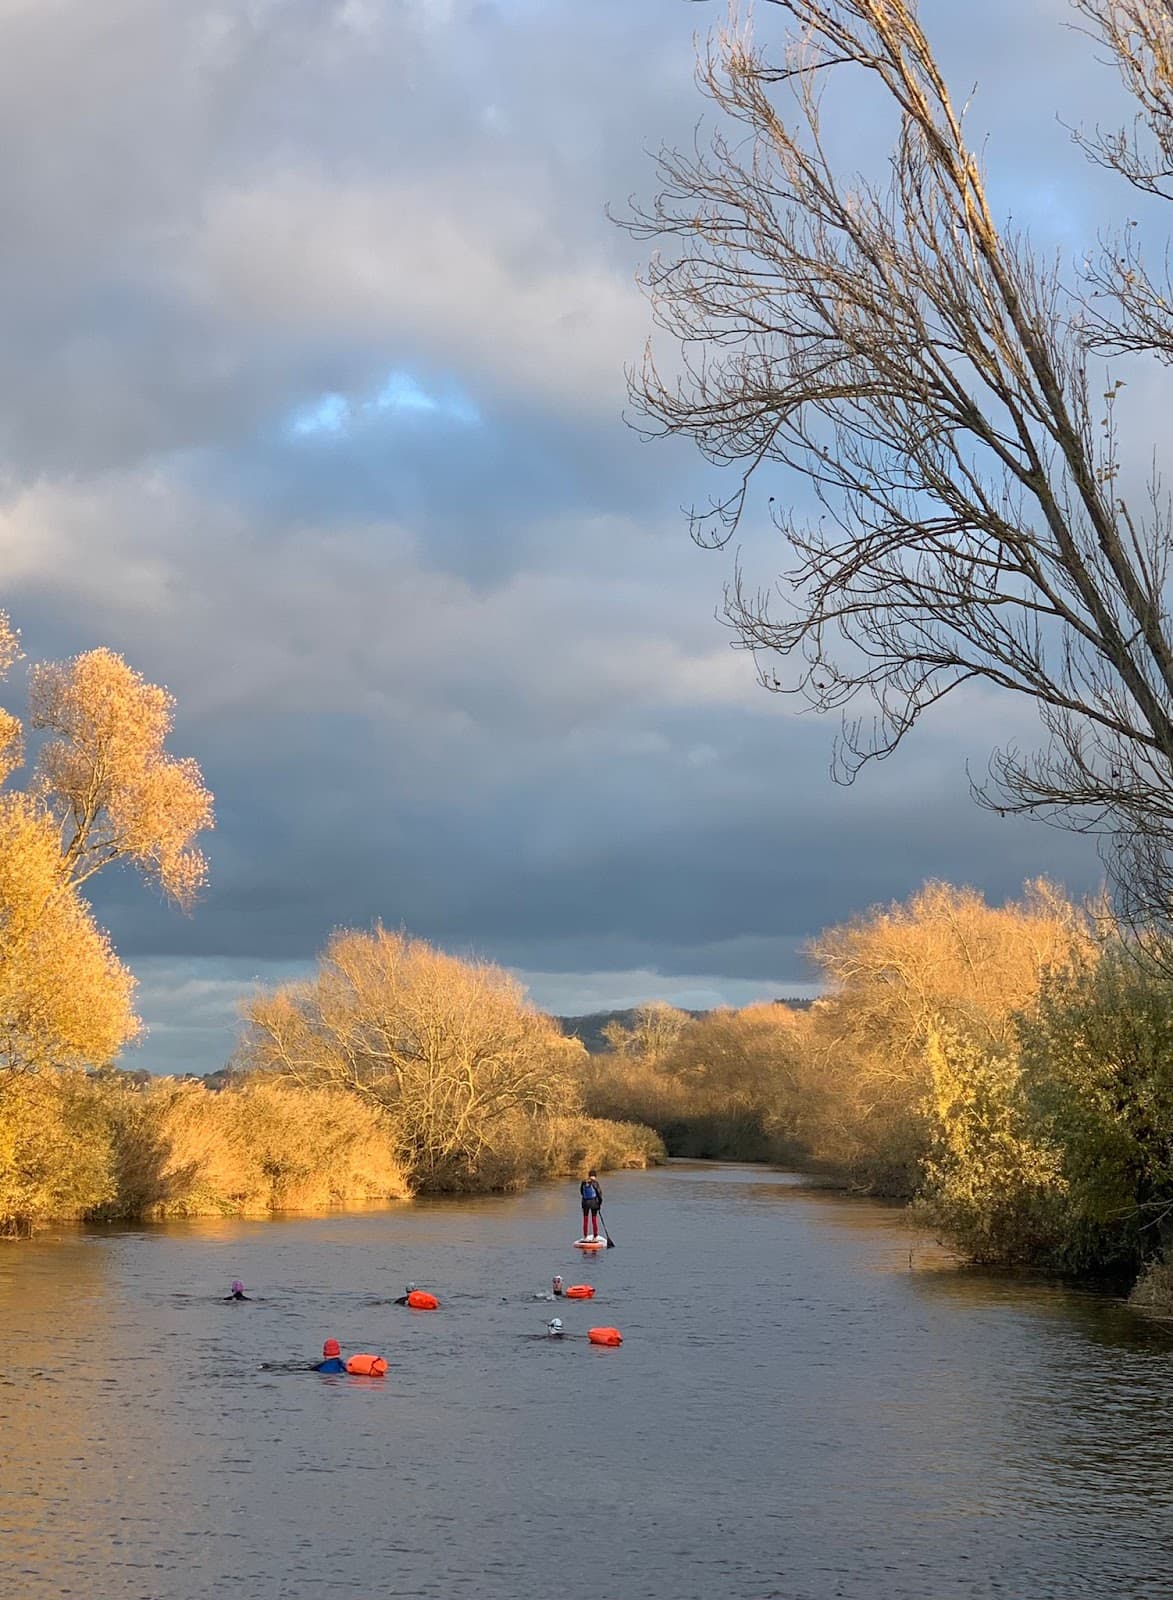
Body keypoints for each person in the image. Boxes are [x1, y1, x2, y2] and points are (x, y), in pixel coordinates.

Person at [579, 1170, 603, 1239]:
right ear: (595, 1176)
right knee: (594, 1219)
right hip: (594, 1203)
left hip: (585, 1203)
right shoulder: (595, 1183)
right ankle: (595, 1236)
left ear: (589, 1175)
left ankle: (585, 1236)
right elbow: (599, 1194)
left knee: (585, 1219)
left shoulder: (583, 1182)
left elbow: (581, 1192)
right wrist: (599, 1204)